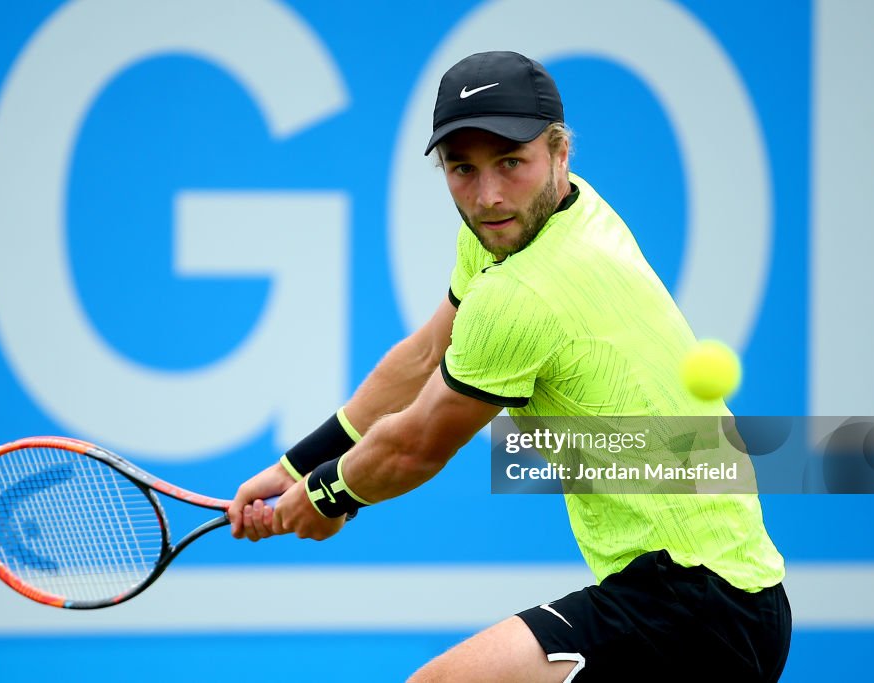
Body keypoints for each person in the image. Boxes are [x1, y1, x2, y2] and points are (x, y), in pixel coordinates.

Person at [227, 51, 791, 682]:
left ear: (559, 152)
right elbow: (425, 355)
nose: (488, 195)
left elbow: (416, 446)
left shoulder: (528, 291)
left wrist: (329, 495)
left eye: (510, 163)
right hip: (706, 596)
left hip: (696, 606)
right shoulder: (537, 217)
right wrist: (297, 466)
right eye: (462, 168)